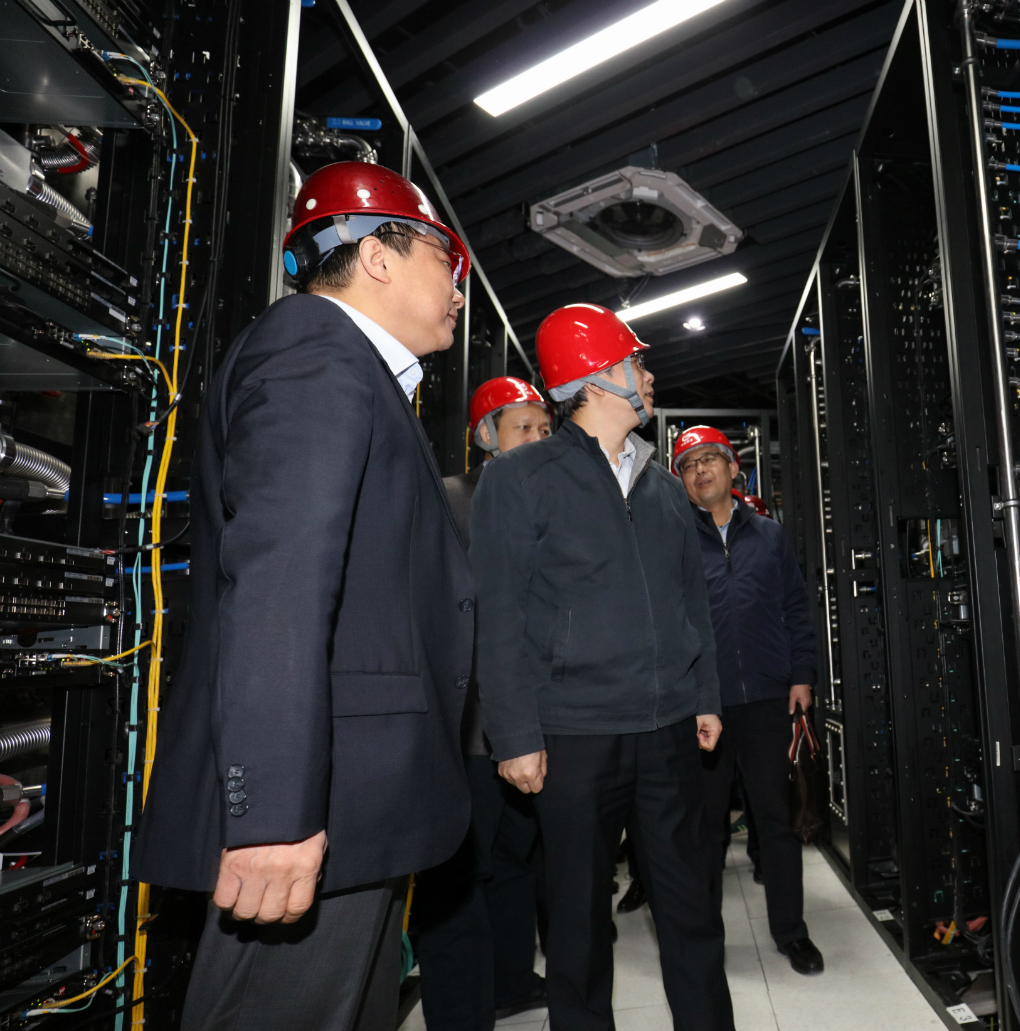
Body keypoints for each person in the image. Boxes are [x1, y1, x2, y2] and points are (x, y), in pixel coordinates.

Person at [130, 161, 474, 1031]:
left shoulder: (355, 371)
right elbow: (281, 579)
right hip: (312, 814)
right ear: (379, 257)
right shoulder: (315, 347)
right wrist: (275, 817)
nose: (458, 288)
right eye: (445, 260)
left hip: (354, 806)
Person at [472, 303, 734, 1031]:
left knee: (692, 910)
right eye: (636, 363)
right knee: (579, 924)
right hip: (573, 735)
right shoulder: (519, 478)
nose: (648, 376)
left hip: (668, 728)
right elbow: (499, 615)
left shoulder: (663, 488)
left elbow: (692, 605)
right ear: (595, 377)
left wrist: (705, 694)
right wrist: (514, 734)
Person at [414, 377, 552, 1029]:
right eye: (522, 427)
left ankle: (512, 980)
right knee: (458, 876)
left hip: (536, 724)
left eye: (544, 428)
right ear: (485, 436)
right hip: (469, 730)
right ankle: (460, 1014)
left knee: (516, 861)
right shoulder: (448, 500)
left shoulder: (553, 507)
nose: (537, 439)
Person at [673, 426, 824, 976]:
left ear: (734, 469)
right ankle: (703, 942)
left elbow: (796, 609)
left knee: (775, 821)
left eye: (710, 459)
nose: (700, 471)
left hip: (766, 699)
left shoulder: (769, 535)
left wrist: (801, 675)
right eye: (689, 465)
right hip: (703, 704)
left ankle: (792, 933)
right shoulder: (674, 539)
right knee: (705, 829)